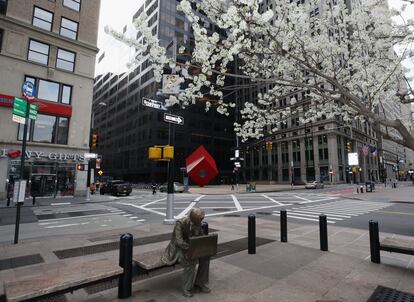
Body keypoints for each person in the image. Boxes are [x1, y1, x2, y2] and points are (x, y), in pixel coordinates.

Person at [161, 208, 211, 297]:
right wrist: (191, 248)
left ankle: (200, 282)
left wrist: (206, 242)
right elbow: (179, 241)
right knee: (190, 260)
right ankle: (186, 288)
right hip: (178, 249)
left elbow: (200, 235)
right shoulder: (180, 223)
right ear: (194, 218)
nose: (201, 221)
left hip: (191, 246)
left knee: (205, 258)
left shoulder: (197, 223)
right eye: (200, 219)